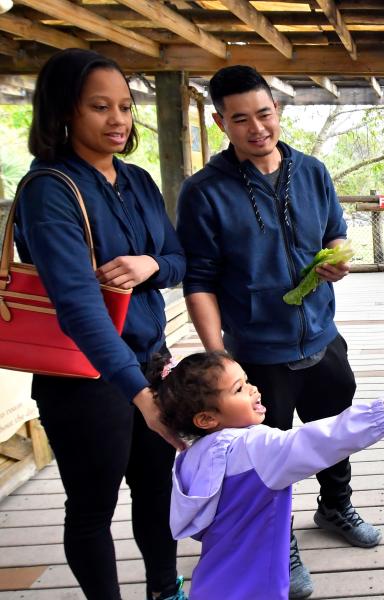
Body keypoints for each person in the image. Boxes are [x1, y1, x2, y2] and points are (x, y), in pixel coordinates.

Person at [176, 65, 365, 597]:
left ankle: (336, 507)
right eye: (241, 120)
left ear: (277, 111)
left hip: (322, 337)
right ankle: (282, 544)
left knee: (334, 436)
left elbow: (335, 235)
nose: (257, 128)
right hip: (256, 351)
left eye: (264, 113)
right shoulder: (203, 192)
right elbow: (201, 279)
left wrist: (338, 263)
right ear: (220, 122)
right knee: (265, 458)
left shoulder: (313, 172)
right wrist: (219, 359)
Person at [13, 49, 187, 599]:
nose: (118, 120)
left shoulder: (137, 180)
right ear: (64, 111)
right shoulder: (50, 189)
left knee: (157, 489)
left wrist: (151, 264)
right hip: (84, 379)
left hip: (153, 364)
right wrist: (139, 395)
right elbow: (79, 307)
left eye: (126, 106)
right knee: (92, 507)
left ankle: (166, 590)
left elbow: (182, 260)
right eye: (99, 107)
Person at [150, 351, 384, 599]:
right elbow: (321, 440)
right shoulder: (254, 449)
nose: (253, 390)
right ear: (207, 419)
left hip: (213, 580)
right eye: (238, 389)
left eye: (247, 380)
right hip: (257, 584)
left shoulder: (191, 457)